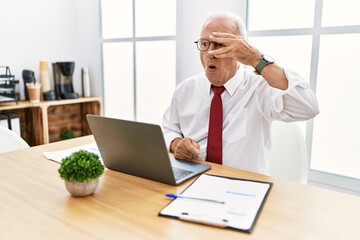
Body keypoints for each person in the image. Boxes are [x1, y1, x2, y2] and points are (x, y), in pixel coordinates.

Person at [162, 11, 319, 175]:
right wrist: (176, 143)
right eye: (204, 44)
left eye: (220, 45)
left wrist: (255, 58)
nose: (210, 53)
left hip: (246, 187)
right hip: (192, 180)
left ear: (240, 50)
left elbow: (309, 107)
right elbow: (168, 128)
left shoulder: (261, 88)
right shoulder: (185, 89)